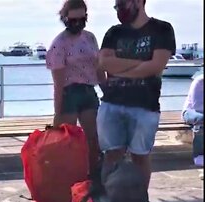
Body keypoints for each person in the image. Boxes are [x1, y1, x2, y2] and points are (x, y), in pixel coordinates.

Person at [97, 0, 176, 188]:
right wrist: (141, 64)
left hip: (145, 106)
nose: (120, 9)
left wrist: (120, 68)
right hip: (112, 104)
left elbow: (156, 66)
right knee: (111, 155)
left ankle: (140, 201)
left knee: (141, 156)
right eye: (117, 6)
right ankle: (109, 199)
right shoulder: (113, 32)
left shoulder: (162, 29)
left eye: (123, 4)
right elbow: (103, 63)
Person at [46, 0, 106, 175]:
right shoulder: (59, 44)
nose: (78, 24)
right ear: (65, 19)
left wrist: (109, 92)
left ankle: (93, 177)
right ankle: (67, 179)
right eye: (73, 20)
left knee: (93, 139)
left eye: (82, 19)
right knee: (67, 141)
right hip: (69, 93)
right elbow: (58, 83)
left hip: (88, 91)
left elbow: (98, 68)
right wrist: (57, 113)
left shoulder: (90, 38)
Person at [182, 73, 203, 178]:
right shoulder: (199, 81)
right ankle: (199, 154)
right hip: (191, 111)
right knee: (202, 119)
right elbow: (197, 106)